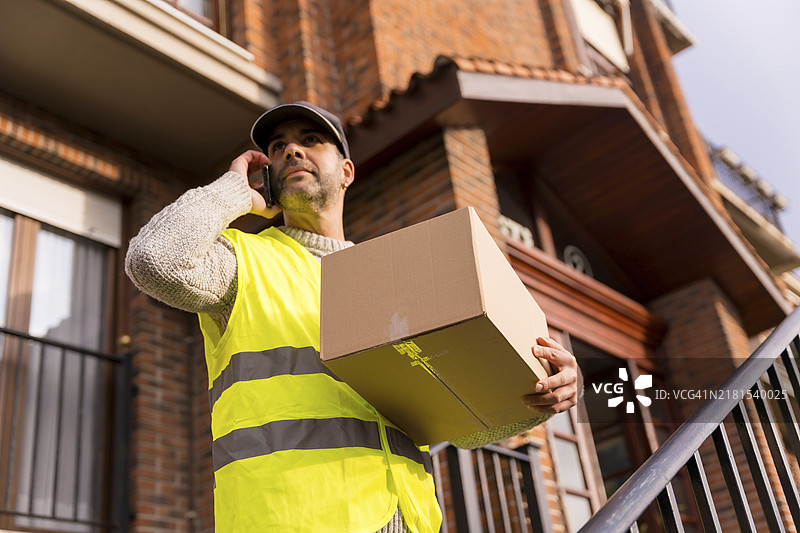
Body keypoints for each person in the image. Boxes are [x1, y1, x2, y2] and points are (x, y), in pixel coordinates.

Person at [125, 101, 582, 533]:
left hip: (404, 519)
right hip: (289, 520)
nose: (290, 150)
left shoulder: (385, 281)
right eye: (278, 147)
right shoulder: (243, 262)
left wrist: (537, 397)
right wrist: (231, 194)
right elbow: (154, 260)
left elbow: (460, 421)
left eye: (309, 139)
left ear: (346, 172)